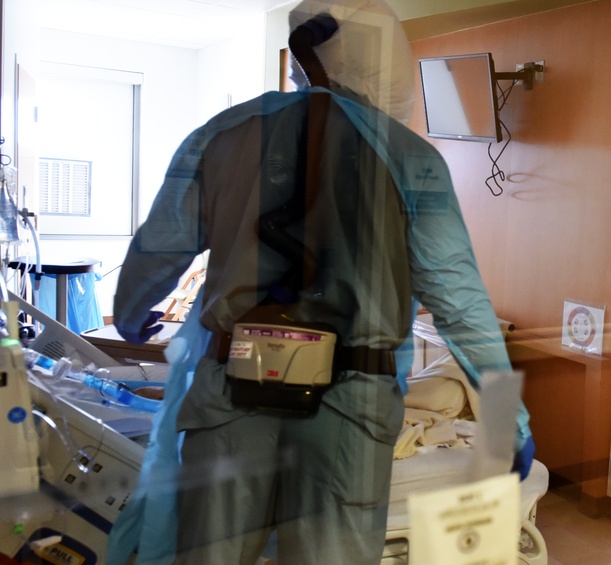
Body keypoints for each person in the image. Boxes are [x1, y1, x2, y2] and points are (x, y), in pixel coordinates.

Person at [108, 1, 534, 563]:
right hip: (348, 410)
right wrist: (507, 419)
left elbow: (157, 247)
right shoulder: (413, 160)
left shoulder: (222, 135)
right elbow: (459, 302)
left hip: (232, 390)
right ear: (382, 59)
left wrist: (133, 310)